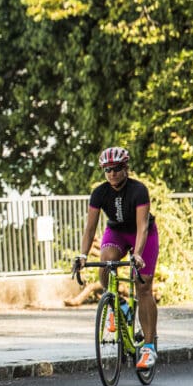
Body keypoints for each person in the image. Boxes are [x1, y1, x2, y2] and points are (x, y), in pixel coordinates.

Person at [75, 147, 160, 369]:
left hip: (143, 234)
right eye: (107, 170)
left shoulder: (138, 190)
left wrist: (138, 254)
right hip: (117, 233)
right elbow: (90, 228)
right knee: (105, 263)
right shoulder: (99, 193)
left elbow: (142, 227)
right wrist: (83, 255)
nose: (112, 173)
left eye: (116, 168)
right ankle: (120, 305)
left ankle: (148, 347)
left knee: (143, 287)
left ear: (126, 168)